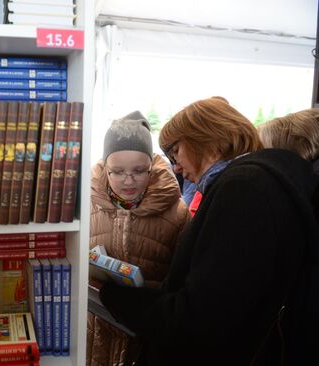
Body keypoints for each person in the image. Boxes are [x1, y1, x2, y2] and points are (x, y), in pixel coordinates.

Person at [98, 97, 319, 366]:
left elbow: (200, 317)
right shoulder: (260, 182)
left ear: (202, 136)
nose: (175, 167)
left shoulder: (243, 188)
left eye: (175, 151)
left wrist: (115, 296)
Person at [87, 111, 190, 366]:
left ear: (152, 167)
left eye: (139, 171)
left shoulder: (177, 214)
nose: (128, 180)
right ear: (104, 168)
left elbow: (184, 283)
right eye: (117, 171)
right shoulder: (83, 207)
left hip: (145, 340)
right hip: (92, 333)